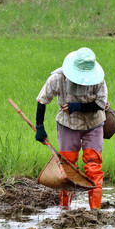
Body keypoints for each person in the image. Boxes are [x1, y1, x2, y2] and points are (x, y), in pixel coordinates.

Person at [34, 47, 107, 210]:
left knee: (93, 166)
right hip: (68, 123)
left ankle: (95, 212)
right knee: (67, 167)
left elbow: (101, 103)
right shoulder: (57, 78)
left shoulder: (98, 80)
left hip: (93, 123)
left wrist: (79, 106)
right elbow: (42, 100)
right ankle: (65, 210)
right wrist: (40, 126)